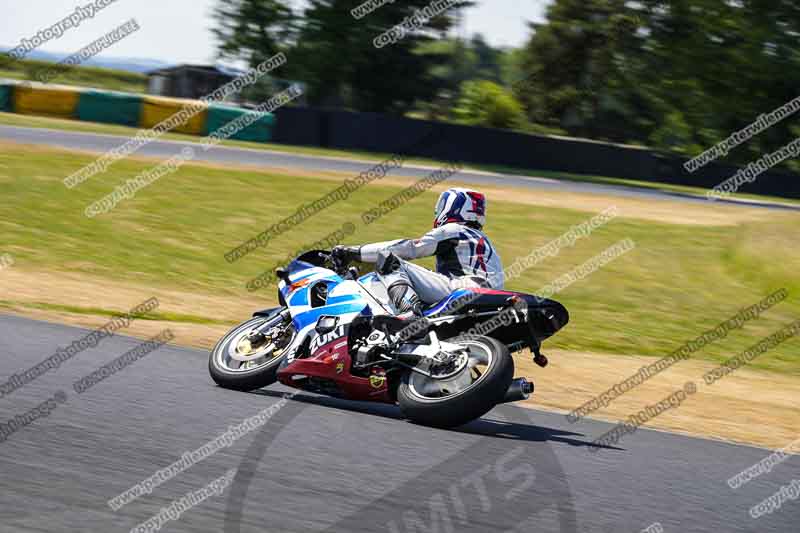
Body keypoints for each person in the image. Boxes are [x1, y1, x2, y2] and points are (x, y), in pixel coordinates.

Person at [332, 187, 504, 316]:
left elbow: (409, 248)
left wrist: (354, 252)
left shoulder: (454, 230)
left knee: (389, 260)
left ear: (455, 207)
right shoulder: (481, 240)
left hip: (464, 289)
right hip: (488, 297)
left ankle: (409, 313)